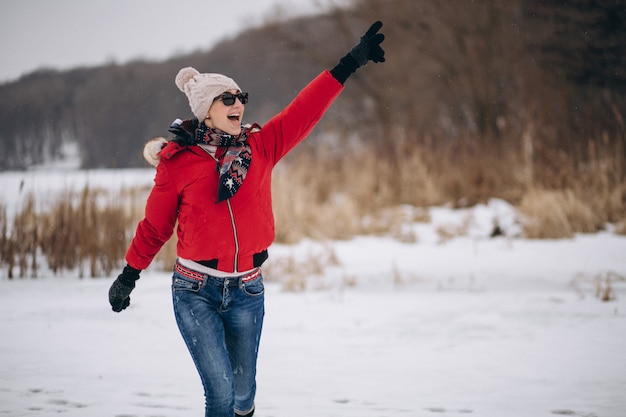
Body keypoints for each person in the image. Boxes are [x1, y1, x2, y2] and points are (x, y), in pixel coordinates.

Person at [108, 20, 385, 417]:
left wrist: (349, 63)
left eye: (241, 96)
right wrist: (129, 274)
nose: (238, 104)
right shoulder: (178, 163)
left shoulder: (259, 147)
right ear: (206, 110)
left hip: (247, 290)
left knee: (243, 396)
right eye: (227, 99)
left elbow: (303, 110)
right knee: (219, 397)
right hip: (195, 290)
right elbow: (156, 227)